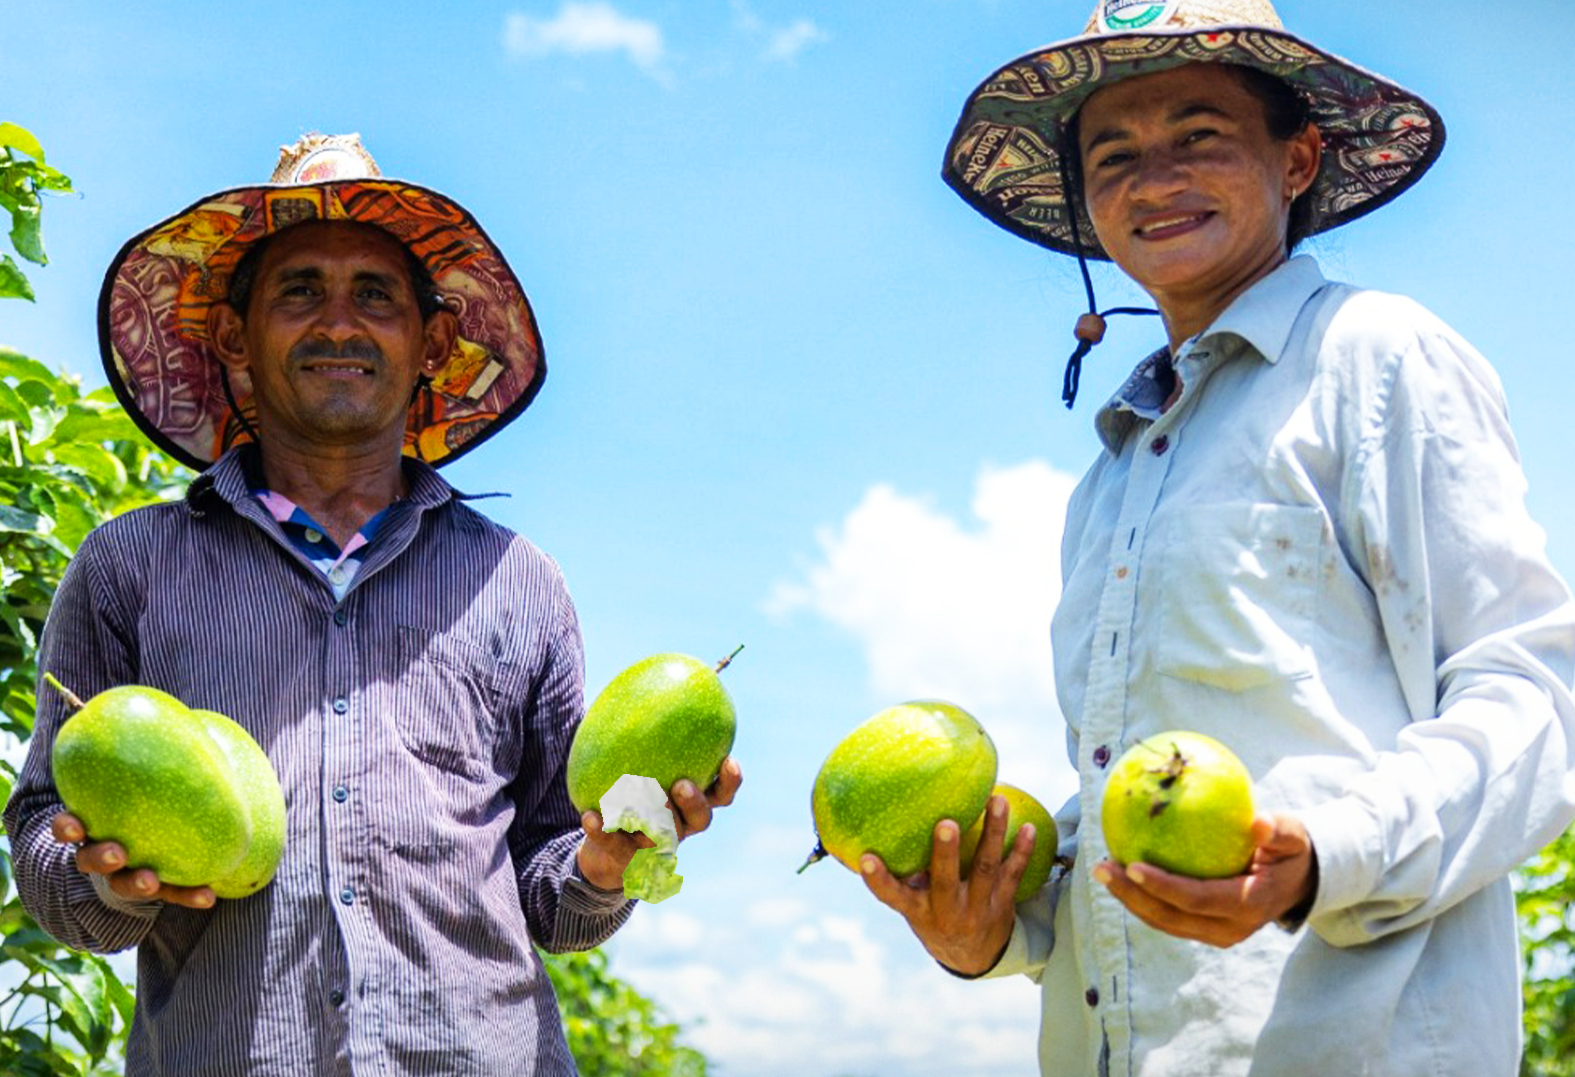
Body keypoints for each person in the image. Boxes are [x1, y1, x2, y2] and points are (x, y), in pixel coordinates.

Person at [858, 3, 1575, 1075]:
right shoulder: (1108, 478)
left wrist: (1324, 855)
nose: (1154, 179)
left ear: (1297, 160)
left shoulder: (1376, 357)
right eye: (1115, 156)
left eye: (1198, 136)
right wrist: (998, 927)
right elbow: (1126, 797)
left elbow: (1532, 688)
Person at [3, 133, 741, 1076]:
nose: (339, 324)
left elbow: (554, 892)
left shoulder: (519, 583)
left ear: (431, 342)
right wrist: (106, 877)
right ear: (236, 336)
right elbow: (49, 863)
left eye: (377, 295)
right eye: (299, 290)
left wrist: (610, 861)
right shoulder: (128, 567)